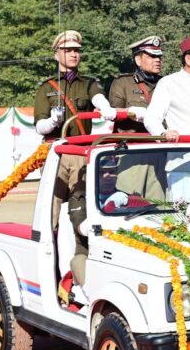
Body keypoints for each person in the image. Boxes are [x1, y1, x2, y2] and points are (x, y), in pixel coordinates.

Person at [35, 31, 117, 231]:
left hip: (80, 151)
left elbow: (97, 98)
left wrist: (106, 108)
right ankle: (49, 244)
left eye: (77, 51)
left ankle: (78, 244)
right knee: (52, 203)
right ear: (56, 55)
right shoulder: (46, 87)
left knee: (80, 202)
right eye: (67, 50)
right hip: (55, 152)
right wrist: (53, 121)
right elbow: (39, 127)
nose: (73, 54)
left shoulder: (89, 83)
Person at [108, 36, 164, 133]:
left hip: (162, 142)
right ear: (138, 60)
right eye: (152, 56)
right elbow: (114, 115)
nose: (157, 60)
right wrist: (131, 111)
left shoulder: (166, 83)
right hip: (132, 143)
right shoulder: (123, 83)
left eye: (159, 56)